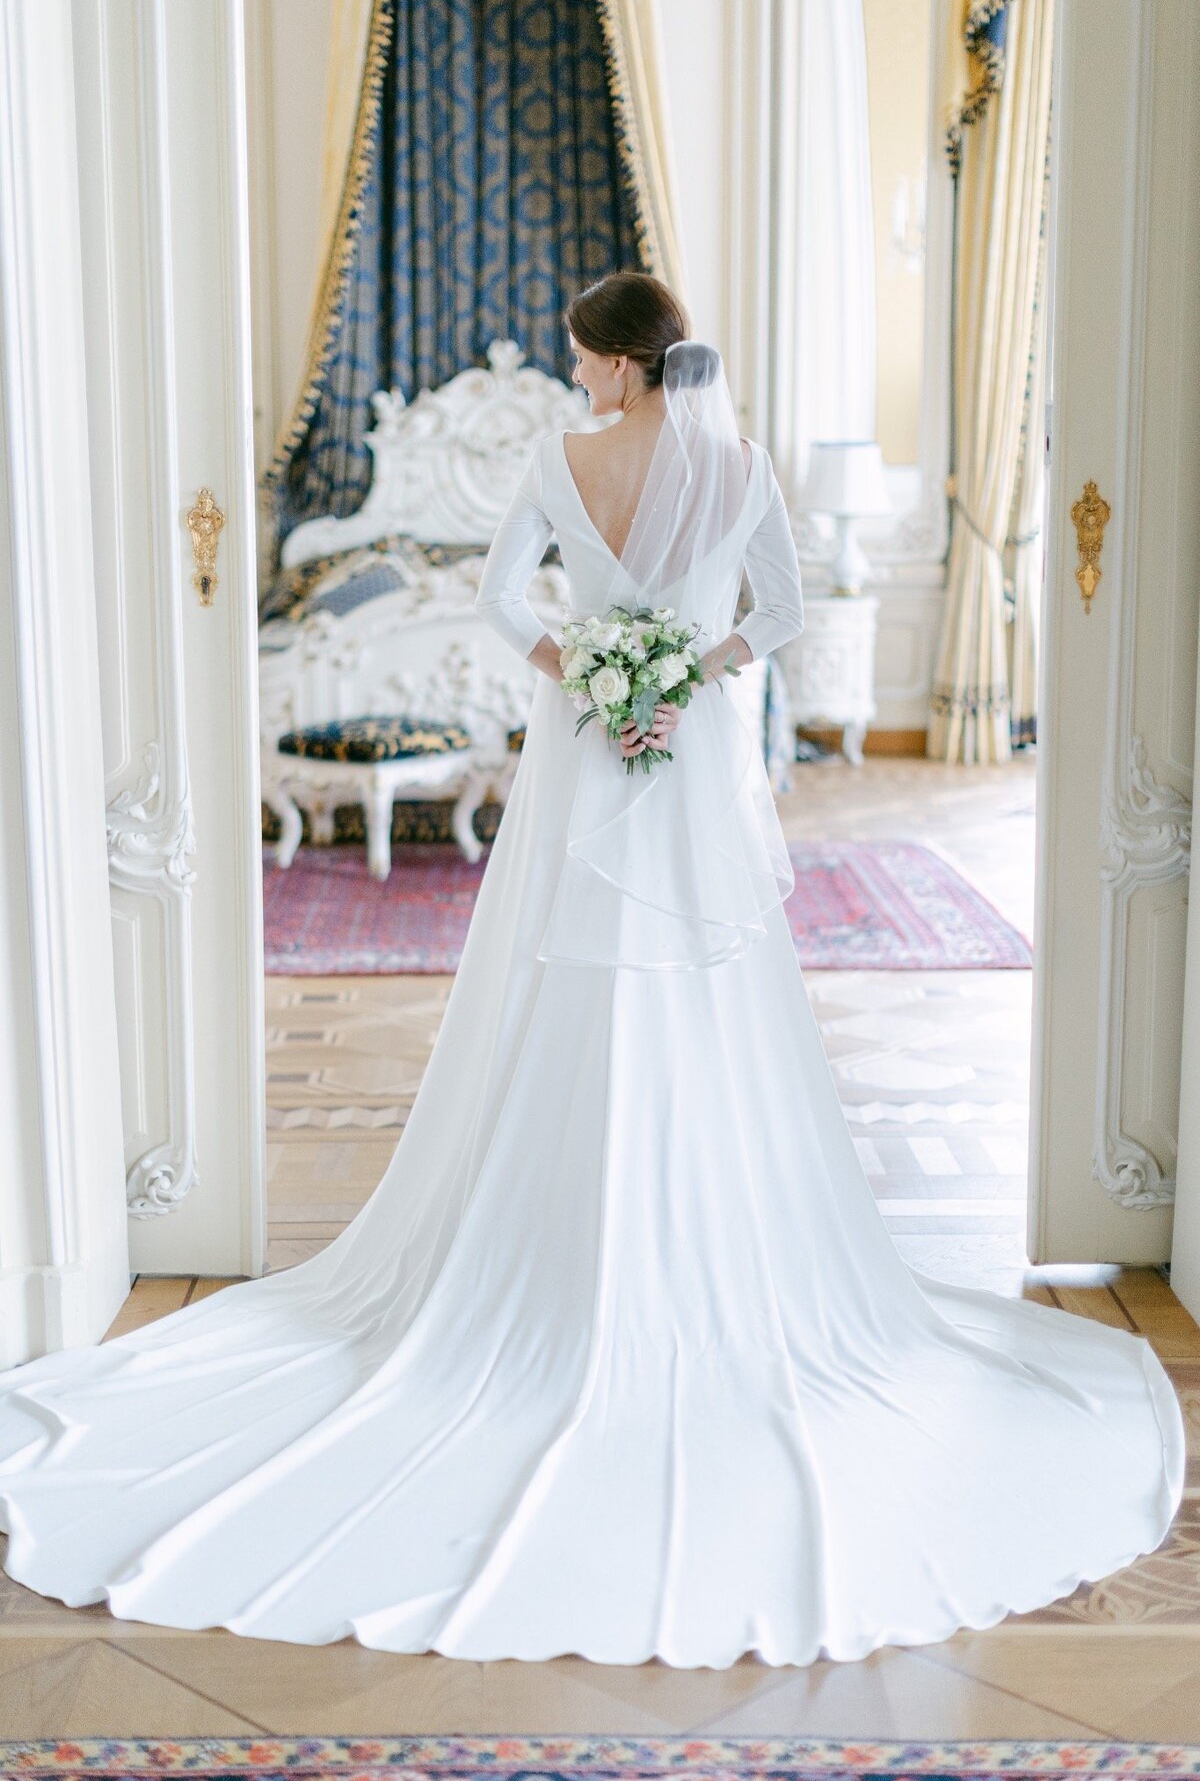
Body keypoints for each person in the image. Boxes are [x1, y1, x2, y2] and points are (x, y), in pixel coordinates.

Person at [0, 272, 1185, 1670]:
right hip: (682, 756)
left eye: (581, 356)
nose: (572, 376)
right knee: (702, 972)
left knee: (565, 965)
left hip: (585, 748)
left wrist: (591, 666)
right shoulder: (738, 467)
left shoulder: (561, 464)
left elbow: (506, 603)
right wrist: (685, 674)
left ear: (623, 367)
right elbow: (786, 617)